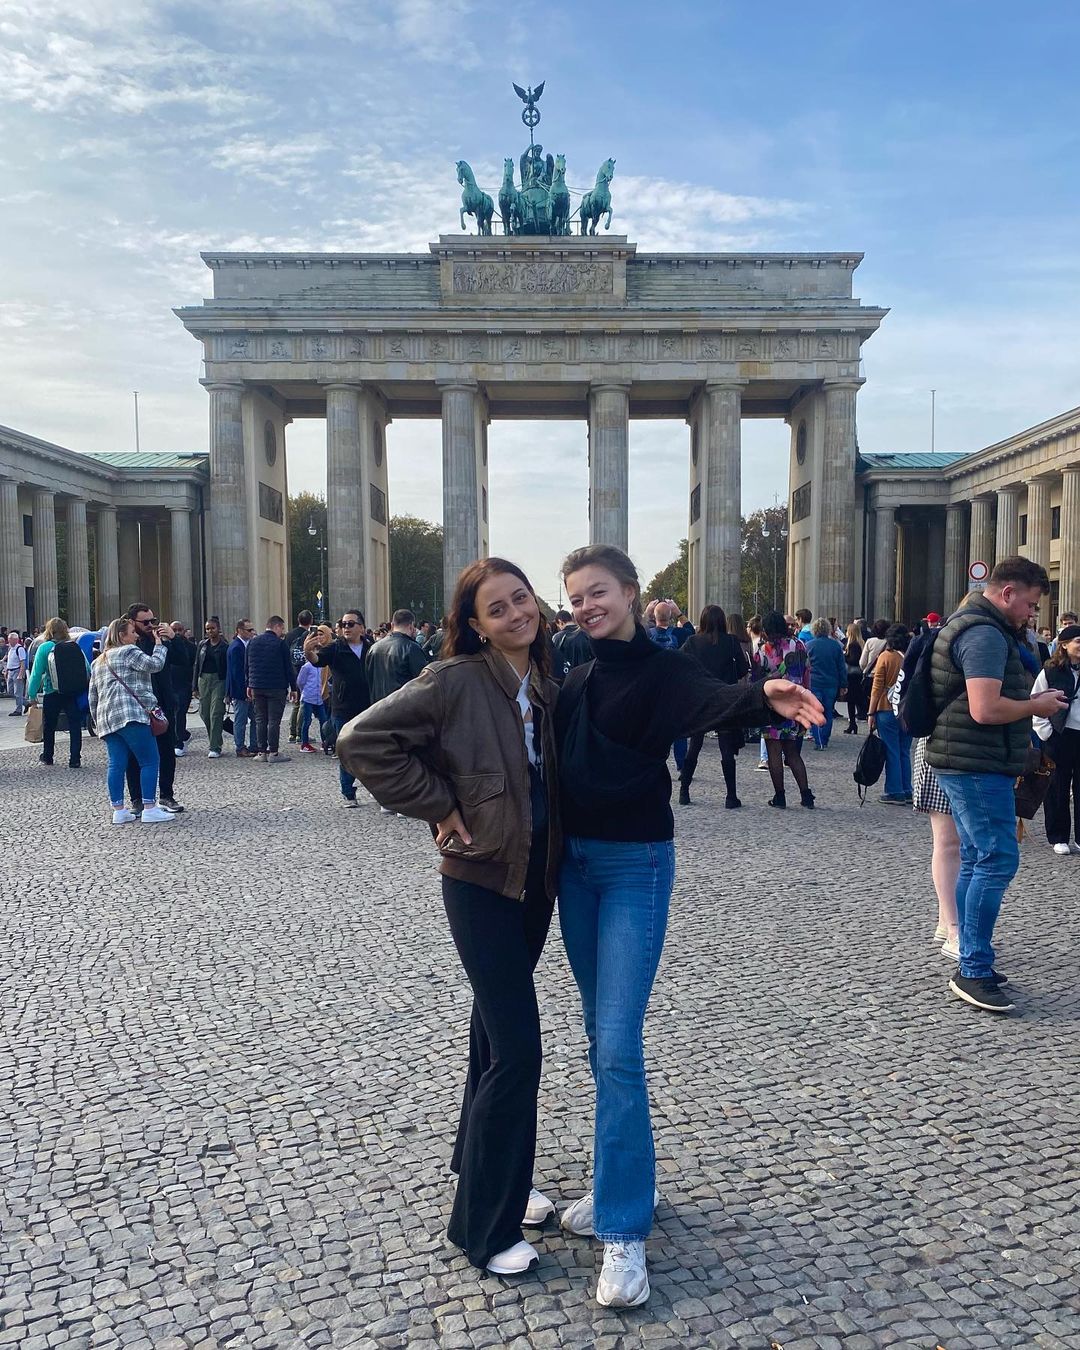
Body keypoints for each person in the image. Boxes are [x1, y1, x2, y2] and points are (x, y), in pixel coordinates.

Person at [555, 546, 822, 1308]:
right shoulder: (572, 676)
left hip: (634, 866)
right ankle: (618, 1187)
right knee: (597, 1038)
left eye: (597, 592)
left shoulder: (665, 670)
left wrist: (762, 694)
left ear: (633, 593)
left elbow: (711, 697)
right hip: (573, 870)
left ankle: (625, 1230)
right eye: (574, 596)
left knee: (616, 1045)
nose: (584, 606)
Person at [338, 558, 559, 1277]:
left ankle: (487, 1170)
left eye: (520, 599)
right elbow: (361, 740)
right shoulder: (455, 679)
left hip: (534, 880)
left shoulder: (548, 677)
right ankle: (482, 1228)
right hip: (480, 881)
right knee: (519, 1050)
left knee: (493, 1034)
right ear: (474, 624)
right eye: (496, 608)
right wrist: (438, 804)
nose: (515, 614)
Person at [926, 556, 1066, 1013]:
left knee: (975, 858)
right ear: (1007, 593)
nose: (1032, 614)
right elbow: (985, 709)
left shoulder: (983, 626)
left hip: (970, 758)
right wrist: (1037, 706)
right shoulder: (984, 634)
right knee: (997, 859)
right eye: (1029, 604)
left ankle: (972, 957)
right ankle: (974, 969)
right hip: (974, 762)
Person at [87, 617, 176, 824]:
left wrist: (97, 721)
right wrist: (160, 645)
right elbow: (155, 665)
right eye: (132, 632)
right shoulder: (128, 651)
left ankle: (118, 810)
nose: (136, 635)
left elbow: (93, 695)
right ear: (121, 635)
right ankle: (149, 808)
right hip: (132, 714)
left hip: (108, 719)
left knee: (116, 764)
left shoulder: (98, 661)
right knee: (150, 760)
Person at [677, 605, 750, 807]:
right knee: (726, 749)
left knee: (695, 745)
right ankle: (730, 796)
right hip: (724, 697)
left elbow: (679, 663)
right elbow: (743, 669)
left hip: (700, 698)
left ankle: (684, 791)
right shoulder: (731, 641)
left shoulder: (692, 642)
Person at [304, 610, 372, 805]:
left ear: (361, 627)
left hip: (368, 706)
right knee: (347, 751)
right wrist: (309, 652)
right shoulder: (335, 648)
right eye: (343, 624)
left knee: (370, 751)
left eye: (351, 624)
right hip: (343, 707)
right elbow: (318, 661)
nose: (346, 628)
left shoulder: (371, 648)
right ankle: (348, 792)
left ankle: (376, 788)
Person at [124, 603, 184, 815]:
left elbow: (185, 659)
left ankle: (166, 795)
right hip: (137, 706)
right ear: (132, 622)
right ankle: (137, 799)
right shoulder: (128, 644)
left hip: (163, 704)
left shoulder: (161, 640)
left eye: (153, 620)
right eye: (146, 622)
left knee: (166, 752)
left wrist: (173, 638)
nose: (151, 625)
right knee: (134, 755)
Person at [752, 610, 815, 809]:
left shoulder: (762, 650)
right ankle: (806, 795)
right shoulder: (799, 645)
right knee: (792, 752)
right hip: (795, 702)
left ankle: (780, 796)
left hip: (772, 704)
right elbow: (807, 673)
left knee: (773, 751)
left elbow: (756, 680)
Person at [1032, 622, 1080, 856]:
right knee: (1057, 787)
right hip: (1059, 735)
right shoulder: (1050, 671)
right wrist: (1045, 731)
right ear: (1064, 645)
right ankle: (1058, 836)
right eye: (1078, 642)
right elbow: (1036, 700)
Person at [26, 617, 90, 768]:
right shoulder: (74, 646)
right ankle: (75, 758)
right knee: (74, 724)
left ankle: (48, 756)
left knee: (50, 725)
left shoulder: (44, 647)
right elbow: (87, 669)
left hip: (52, 691)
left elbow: (36, 674)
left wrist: (32, 694)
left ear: (49, 630)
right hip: (71, 692)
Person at [868, 624, 912, 805]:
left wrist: (871, 712)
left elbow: (877, 687)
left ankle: (894, 790)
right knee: (904, 751)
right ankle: (907, 788)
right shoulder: (912, 657)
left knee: (891, 750)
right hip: (907, 709)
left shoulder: (886, 657)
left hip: (887, 708)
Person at [245, 616, 297, 763]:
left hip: (257, 686)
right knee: (274, 720)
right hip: (276, 687)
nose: (283, 631)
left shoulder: (252, 642)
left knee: (260, 719)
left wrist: (248, 684)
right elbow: (288, 668)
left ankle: (262, 752)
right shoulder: (280, 644)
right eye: (282, 628)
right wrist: (293, 688)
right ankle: (273, 752)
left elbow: (247, 666)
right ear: (277, 627)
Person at [365, 608, 430, 704]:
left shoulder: (373, 648)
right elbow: (423, 682)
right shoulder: (412, 648)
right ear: (411, 626)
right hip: (402, 710)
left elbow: (368, 680)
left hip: (377, 709)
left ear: (392, 625)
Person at [805, 617, 847, 750]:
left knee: (815, 711)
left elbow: (806, 666)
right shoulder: (835, 646)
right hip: (831, 684)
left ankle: (819, 741)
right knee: (828, 712)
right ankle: (825, 738)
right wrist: (843, 685)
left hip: (814, 683)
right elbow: (841, 667)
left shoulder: (809, 645)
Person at [193, 618, 229, 757]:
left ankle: (214, 746)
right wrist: (194, 686)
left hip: (219, 680)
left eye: (212, 628)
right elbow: (197, 664)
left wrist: (228, 690)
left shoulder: (225, 647)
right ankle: (216, 739)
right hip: (203, 679)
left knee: (216, 712)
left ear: (218, 628)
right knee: (205, 713)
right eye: (207, 628)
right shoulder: (202, 645)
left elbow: (228, 668)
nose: (210, 631)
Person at [227, 619, 259, 758]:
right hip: (242, 691)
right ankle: (240, 747)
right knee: (241, 720)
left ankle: (254, 745)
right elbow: (237, 673)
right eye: (249, 630)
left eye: (252, 630)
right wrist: (245, 690)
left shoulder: (246, 645)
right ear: (240, 630)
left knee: (255, 718)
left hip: (248, 689)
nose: (252, 632)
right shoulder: (236, 647)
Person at [284, 609, 315, 744]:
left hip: (292, 670)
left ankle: (292, 732)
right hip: (306, 671)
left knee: (296, 704)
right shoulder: (310, 634)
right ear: (311, 621)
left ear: (298, 620)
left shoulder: (289, 635)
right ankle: (301, 733)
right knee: (304, 704)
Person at [168, 621, 196, 753]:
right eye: (175, 630)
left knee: (180, 714)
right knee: (170, 715)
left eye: (180, 630)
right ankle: (182, 736)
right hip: (169, 685)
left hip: (184, 685)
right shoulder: (164, 645)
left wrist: (194, 685)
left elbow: (195, 666)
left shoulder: (190, 647)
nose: (178, 632)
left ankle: (178, 743)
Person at [296, 655, 330, 752]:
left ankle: (325, 741)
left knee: (323, 720)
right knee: (306, 721)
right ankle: (304, 743)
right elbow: (300, 681)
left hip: (318, 697)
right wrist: (305, 691)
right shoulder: (306, 667)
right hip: (308, 697)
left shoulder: (321, 666)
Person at [842, 621, 864, 734]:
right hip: (857, 675)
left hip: (852, 675)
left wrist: (844, 656)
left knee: (851, 701)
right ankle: (852, 724)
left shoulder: (853, 645)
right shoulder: (860, 643)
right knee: (855, 700)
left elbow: (854, 661)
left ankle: (852, 724)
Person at [5, 631, 27, 716]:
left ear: (16, 640)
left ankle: (18, 710)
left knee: (18, 692)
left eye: (10, 640)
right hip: (10, 671)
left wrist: (20, 674)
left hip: (17, 671)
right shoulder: (10, 648)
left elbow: (22, 662)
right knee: (10, 691)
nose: (9, 641)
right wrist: (6, 671)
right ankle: (26, 703)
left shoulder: (19, 649)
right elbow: (9, 661)